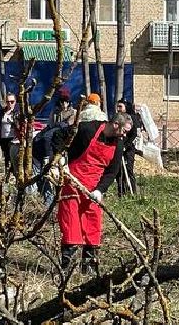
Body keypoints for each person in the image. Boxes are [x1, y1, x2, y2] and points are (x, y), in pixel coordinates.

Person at [55, 112, 134, 277]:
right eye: (124, 131)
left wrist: (100, 190)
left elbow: (112, 172)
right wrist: (60, 159)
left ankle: (89, 266)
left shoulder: (118, 144)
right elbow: (59, 135)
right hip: (72, 182)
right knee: (70, 222)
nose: (125, 135)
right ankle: (67, 267)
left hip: (93, 189)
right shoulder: (87, 128)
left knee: (93, 223)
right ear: (115, 124)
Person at [114, 99, 139, 197]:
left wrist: (126, 145)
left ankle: (132, 192)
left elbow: (134, 134)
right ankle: (121, 193)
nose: (118, 109)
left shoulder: (131, 118)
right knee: (119, 172)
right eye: (117, 107)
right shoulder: (116, 117)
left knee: (128, 170)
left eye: (120, 106)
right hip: (118, 147)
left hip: (128, 148)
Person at [0, 93, 23, 172]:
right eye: (7, 102)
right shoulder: (1, 112)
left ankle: (15, 173)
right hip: (4, 138)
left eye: (12, 101)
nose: (10, 104)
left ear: (15, 101)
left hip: (14, 139)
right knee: (7, 158)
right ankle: (7, 175)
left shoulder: (18, 112)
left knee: (13, 158)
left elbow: (21, 126)